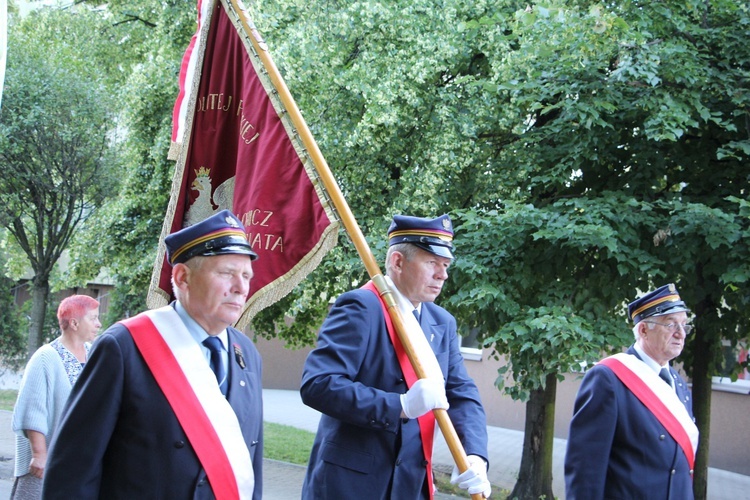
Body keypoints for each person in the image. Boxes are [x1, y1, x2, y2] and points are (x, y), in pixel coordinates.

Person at [42, 210, 264, 499]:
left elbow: (250, 463)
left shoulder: (245, 352)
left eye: (246, 275)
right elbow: (73, 469)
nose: (241, 287)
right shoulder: (124, 347)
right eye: (227, 273)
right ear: (182, 277)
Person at [300, 214, 490, 499]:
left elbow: (461, 394)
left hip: (410, 484)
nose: (443, 274)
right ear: (398, 262)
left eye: (445, 265)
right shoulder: (361, 306)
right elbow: (319, 384)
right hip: (351, 485)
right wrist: (398, 405)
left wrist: (475, 455)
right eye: (432, 263)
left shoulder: (442, 322)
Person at [564, 283, 699, 500]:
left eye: (684, 325)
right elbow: (585, 470)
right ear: (644, 329)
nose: (680, 334)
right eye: (671, 324)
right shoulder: (609, 379)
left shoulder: (678, 384)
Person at [10, 295, 101, 499]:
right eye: (93, 318)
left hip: (77, 460)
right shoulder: (45, 357)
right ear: (74, 323)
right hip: (46, 462)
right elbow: (33, 410)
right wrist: (39, 455)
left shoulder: (92, 352)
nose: (99, 324)